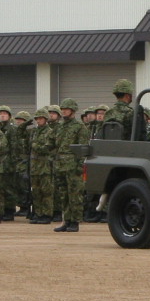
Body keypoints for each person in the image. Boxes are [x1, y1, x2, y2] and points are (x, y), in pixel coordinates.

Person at [51, 99, 90, 231]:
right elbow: (54, 145)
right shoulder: (60, 127)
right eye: (62, 109)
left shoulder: (80, 127)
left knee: (75, 195)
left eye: (66, 109)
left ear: (72, 111)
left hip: (73, 166)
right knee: (64, 195)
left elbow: (83, 149)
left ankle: (75, 221)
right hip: (61, 165)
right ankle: (66, 220)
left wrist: (80, 166)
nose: (63, 112)